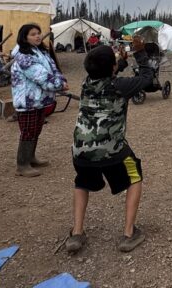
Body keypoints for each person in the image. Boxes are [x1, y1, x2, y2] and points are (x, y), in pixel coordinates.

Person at [66, 45, 155, 255]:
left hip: (80, 150)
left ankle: (77, 233)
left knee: (82, 182)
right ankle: (128, 233)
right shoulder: (121, 86)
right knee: (135, 177)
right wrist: (140, 53)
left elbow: (106, 72)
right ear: (113, 67)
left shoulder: (86, 83)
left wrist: (120, 61)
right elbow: (148, 77)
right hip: (111, 150)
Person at [11, 23, 68, 177]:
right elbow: (41, 76)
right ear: (24, 38)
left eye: (38, 33)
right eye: (33, 34)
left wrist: (61, 79)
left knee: (36, 129)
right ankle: (22, 165)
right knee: (28, 131)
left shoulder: (40, 51)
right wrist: (59, 85)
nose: (37, 36)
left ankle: (30, 157)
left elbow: (53, 68)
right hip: (28, 100)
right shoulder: (24, 56)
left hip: (39, 99)